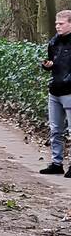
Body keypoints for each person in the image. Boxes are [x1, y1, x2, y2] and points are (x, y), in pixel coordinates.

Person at [40, 10, 71, 176]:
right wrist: (47, 66)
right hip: (55, 91)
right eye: (56, 24)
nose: (57, 26)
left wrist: (67, 79)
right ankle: (56, 163)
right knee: (55, 129)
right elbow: (52, 63)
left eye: (61, 23)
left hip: (69, 92)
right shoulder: (54, 42)